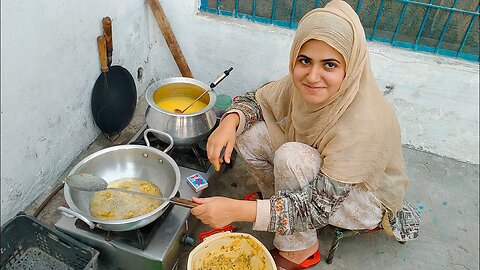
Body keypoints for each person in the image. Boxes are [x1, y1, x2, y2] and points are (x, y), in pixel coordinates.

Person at [191, 0, 420, 268]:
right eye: (305, 60)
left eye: (330, 65)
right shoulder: (299, 85)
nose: (312, 76)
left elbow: (317, 206)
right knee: (248, 134)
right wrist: (228, 122)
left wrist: (238, 211)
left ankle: (299, 249)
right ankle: (278, 209)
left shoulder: (365, 121)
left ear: (351, 65)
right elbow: (258, 98)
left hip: (362, 200)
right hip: (321, 179)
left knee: (292, 156)